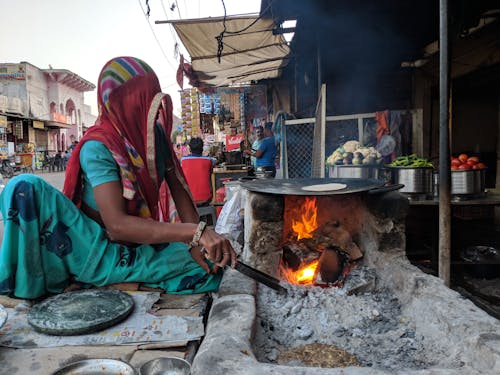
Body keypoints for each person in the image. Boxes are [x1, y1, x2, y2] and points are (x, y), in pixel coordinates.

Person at [0, 56, 236, 300]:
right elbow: (117, 226)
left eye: (153, 105)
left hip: (137, 244)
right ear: (121, 104)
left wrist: (198, 242)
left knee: (210, 271)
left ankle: (110, 284)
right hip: (97, 246)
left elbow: (179, 193)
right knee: (22, 185)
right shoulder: (99, 147)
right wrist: (194, 233)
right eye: (142, 104)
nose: (151, 114)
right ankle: (90, 279)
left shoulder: (154, 136)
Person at [180, 137, 216, 206]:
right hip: (206, 198)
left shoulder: (183, 161)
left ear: (190, 149)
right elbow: (212, 168)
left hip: (188, 198)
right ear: (202, 149)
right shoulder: (209, 161)